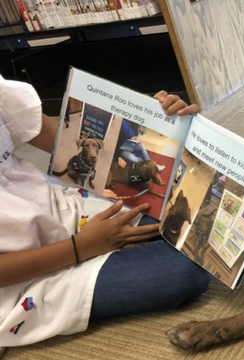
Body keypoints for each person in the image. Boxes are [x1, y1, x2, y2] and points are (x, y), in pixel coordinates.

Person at [0, 77, 210, 347]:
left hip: (55, 208)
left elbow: (62, 144)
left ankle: (102, 256)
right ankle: (93, 261)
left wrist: (162, 125)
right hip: (19, 282)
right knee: (188, 268)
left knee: (185, 222)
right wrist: (81, 248)